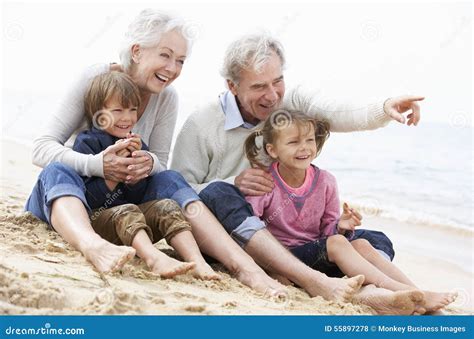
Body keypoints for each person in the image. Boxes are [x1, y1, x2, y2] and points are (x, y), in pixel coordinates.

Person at [25, 10, 291, 298]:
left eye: (180, 60)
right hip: (74, 206)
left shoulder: (166, 97)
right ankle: (93, 246)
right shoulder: (96, 78)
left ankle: (243, 267)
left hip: (126, 211)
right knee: (55, 170)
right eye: (165, 55)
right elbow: (42, 147)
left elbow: (161, 163)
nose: (173, 68)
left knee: (170, 178)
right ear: (137, 51)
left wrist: (148, 162)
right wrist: (98, 164)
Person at [171, 33, 432, 313]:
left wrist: (384, 108)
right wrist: (233, 183)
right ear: (232, 86)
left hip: (292, 243)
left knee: (375, 240)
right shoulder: (202, 123)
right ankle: (312, 279)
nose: (272, 96)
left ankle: (370, 290)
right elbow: (179, 193)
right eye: (259, 86)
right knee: (219, 192)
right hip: (236, 238)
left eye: (278, 81)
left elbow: (337, 111)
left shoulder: (291, 104)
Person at [243, 109, 457, 313]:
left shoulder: (325, 181)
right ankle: (404, 291)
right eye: (293, 142)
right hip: (285, 258)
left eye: (309, 140)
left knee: (361, 244)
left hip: (318, 256)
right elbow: (253, 231)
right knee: (337, 243)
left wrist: (340, 226)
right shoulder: (263, 182)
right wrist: (272, 268)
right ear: (272, 150)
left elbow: (327, 234)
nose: (305, 148)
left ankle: (414, 290)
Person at [69, 71, 223, 279]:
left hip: (135, 227)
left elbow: (140, 194)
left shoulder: (136, 144)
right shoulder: (87, 143)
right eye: (118, 110)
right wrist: (113, 175)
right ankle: (153, 258)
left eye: (133, 110)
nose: (128, 118)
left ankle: (196, 260)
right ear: (98, 113)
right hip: (100, 222)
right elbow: (89, 198)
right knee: (126, 209)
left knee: (167, 206)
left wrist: (137, 176)